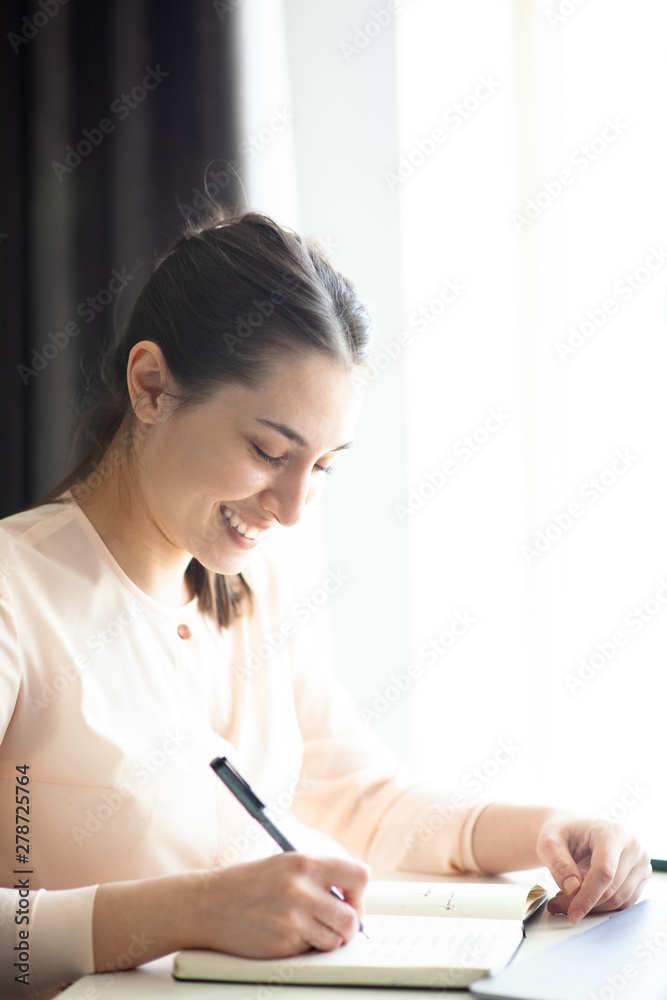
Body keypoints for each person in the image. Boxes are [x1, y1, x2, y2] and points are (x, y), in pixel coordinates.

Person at [0, 210, 650, 997]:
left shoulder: (249, 590)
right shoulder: (16, 594)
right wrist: (188, 912)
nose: (293, 507)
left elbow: (362, 801)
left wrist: (545, 831)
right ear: (151, 388)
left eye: (322, 466)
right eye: (268, 453)